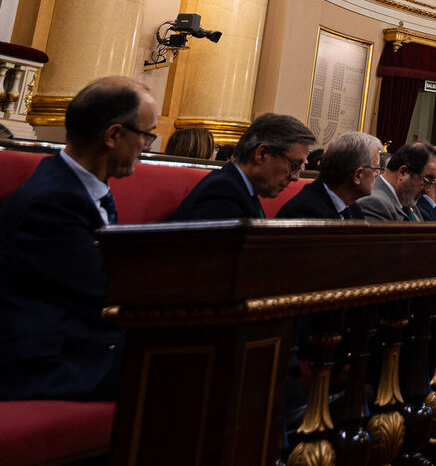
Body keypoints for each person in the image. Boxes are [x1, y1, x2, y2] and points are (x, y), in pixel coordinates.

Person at [0, 77, 156, 400]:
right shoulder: (53, 202)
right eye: (147, 135)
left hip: (87, 343)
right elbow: (106, 293)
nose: (148, 146)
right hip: (55, 363)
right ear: (113, 135)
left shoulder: (78, 188)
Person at [170, 114, 313, 221]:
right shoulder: (222, 195)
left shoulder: (239, 188)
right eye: (293, 165)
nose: (295, 177)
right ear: (262, 154)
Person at [277, 131, 383, 219]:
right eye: (376, 169)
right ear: (358, 175)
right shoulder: (304, 213)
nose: (377, 174)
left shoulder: (353, 209)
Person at [352, 143, 436, 221]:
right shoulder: (373, 203)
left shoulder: (408, 201)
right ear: (403, 172)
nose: (427, 189)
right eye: (426, 180)